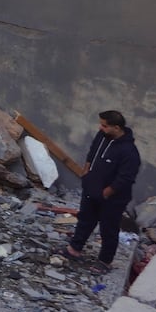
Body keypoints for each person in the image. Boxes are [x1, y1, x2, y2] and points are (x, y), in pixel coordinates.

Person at [63, 110, 141, 270]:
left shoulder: (130, 152)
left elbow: (125, 179)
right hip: (92, 188)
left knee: (108, 228)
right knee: (85, 220)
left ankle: (104, 261)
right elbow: (93, 150)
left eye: (105, 126)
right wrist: (86, 170)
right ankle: (74, 249)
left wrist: (106, 193)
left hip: (112, 198)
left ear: (117, 128)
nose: (101, 128)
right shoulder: (103, 136)